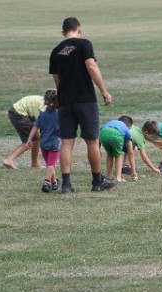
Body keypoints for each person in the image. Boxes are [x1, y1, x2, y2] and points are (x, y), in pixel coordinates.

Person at [49, 17, 116, 194]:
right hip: (85, 99)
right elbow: (91, 66)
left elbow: (57, 80)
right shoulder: (84, 44)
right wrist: (104, 91)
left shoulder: (55, 51)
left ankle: (66, 184)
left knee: (66, 143)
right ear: (79, 29)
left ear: (63, 32)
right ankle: (97, 182)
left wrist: (63, 95)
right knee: (92, 141)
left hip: (65, 102)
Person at [26, 89, 61, 193]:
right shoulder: (59, 116)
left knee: (50, 164)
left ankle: (54, 182)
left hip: (44, 144)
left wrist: (29, 139)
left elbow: (35, 127)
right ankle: (47, 182)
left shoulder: (42, 114)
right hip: (55, 144)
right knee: (51, 164)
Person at [3, 93, 46, 170]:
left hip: (15, 111)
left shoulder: (45, 101)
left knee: (31, 140)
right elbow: (38, 124)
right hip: (19, 114)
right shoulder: (45, 107)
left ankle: (34, 163)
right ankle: (10, 160)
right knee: (35, 139)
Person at [99, 115, 138, 183]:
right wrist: (133, 171)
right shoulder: (126, 129)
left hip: (103, 134)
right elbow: (131, 153)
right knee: (119, 155)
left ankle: (109, 176)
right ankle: (118, 177)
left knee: (110, 154)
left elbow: (100, 131)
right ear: (129, 126)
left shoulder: (112, 122)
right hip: (116, 134)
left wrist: (98, 149)